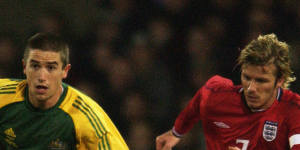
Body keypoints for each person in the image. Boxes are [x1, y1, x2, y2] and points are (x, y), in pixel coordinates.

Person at [156, 33, 300, 150]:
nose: (251, 88)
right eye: (247, 77)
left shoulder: (294, 109)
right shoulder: (217, 96)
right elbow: (200, 99)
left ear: (280, 80)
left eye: (261, 81)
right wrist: (176, 132)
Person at [0, 33, 129, 150]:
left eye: (51, 67)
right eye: (35, 66)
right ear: (24, 67)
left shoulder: (87, 119)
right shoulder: (3, 96)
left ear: (65, 71)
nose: (42, 77)